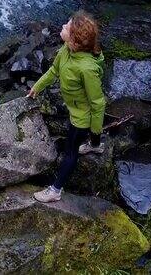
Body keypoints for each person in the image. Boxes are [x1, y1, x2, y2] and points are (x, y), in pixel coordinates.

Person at [27, 10, 106, 203]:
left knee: (70, 152)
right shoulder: (66, 50)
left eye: (66, 27)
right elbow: (54, 70)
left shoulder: (86, 69)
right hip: (76, 108)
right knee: (80, 141)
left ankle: (55, 190)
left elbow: (98, 103)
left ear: (75, 41)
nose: (62, 26)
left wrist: (95, 128)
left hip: (82, 117)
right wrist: (37, 87)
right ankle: (95, 146)